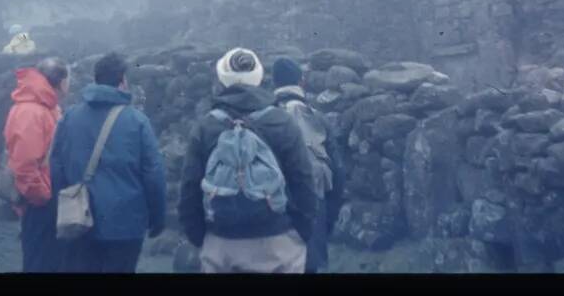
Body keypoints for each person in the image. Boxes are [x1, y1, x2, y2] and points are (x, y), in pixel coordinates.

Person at [178, 47, 317, 273]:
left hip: (221, 244)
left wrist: (202, 239)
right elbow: (304, 183)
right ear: (259, 77)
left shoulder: (206, 126)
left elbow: (189, 191)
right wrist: (301, 233)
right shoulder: (282, 122)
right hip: (278, 244)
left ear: (222, 78)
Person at [50, 52, 167, 273]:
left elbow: (56, 166)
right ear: (123, 81)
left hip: (79, 221)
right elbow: (153, 174)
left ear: (96, 79)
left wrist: (63, 205)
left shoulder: (70, 117)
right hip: (126, 224)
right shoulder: (137, 121)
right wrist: (157, 218)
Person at [271, 57, 345, 274]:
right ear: (301, 82)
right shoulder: (318, 119)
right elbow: (338, 172)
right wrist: (328, 217)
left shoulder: (258, 119)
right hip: (314, 201)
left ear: (274, 84)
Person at [3, 57, 70, 272]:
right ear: (60, 81)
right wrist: (43, 196)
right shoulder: (32, 111)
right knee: (41, 263)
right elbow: (24, 165)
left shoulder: (44, 106)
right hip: (41, 202)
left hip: (47, 198)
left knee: (50, 260)